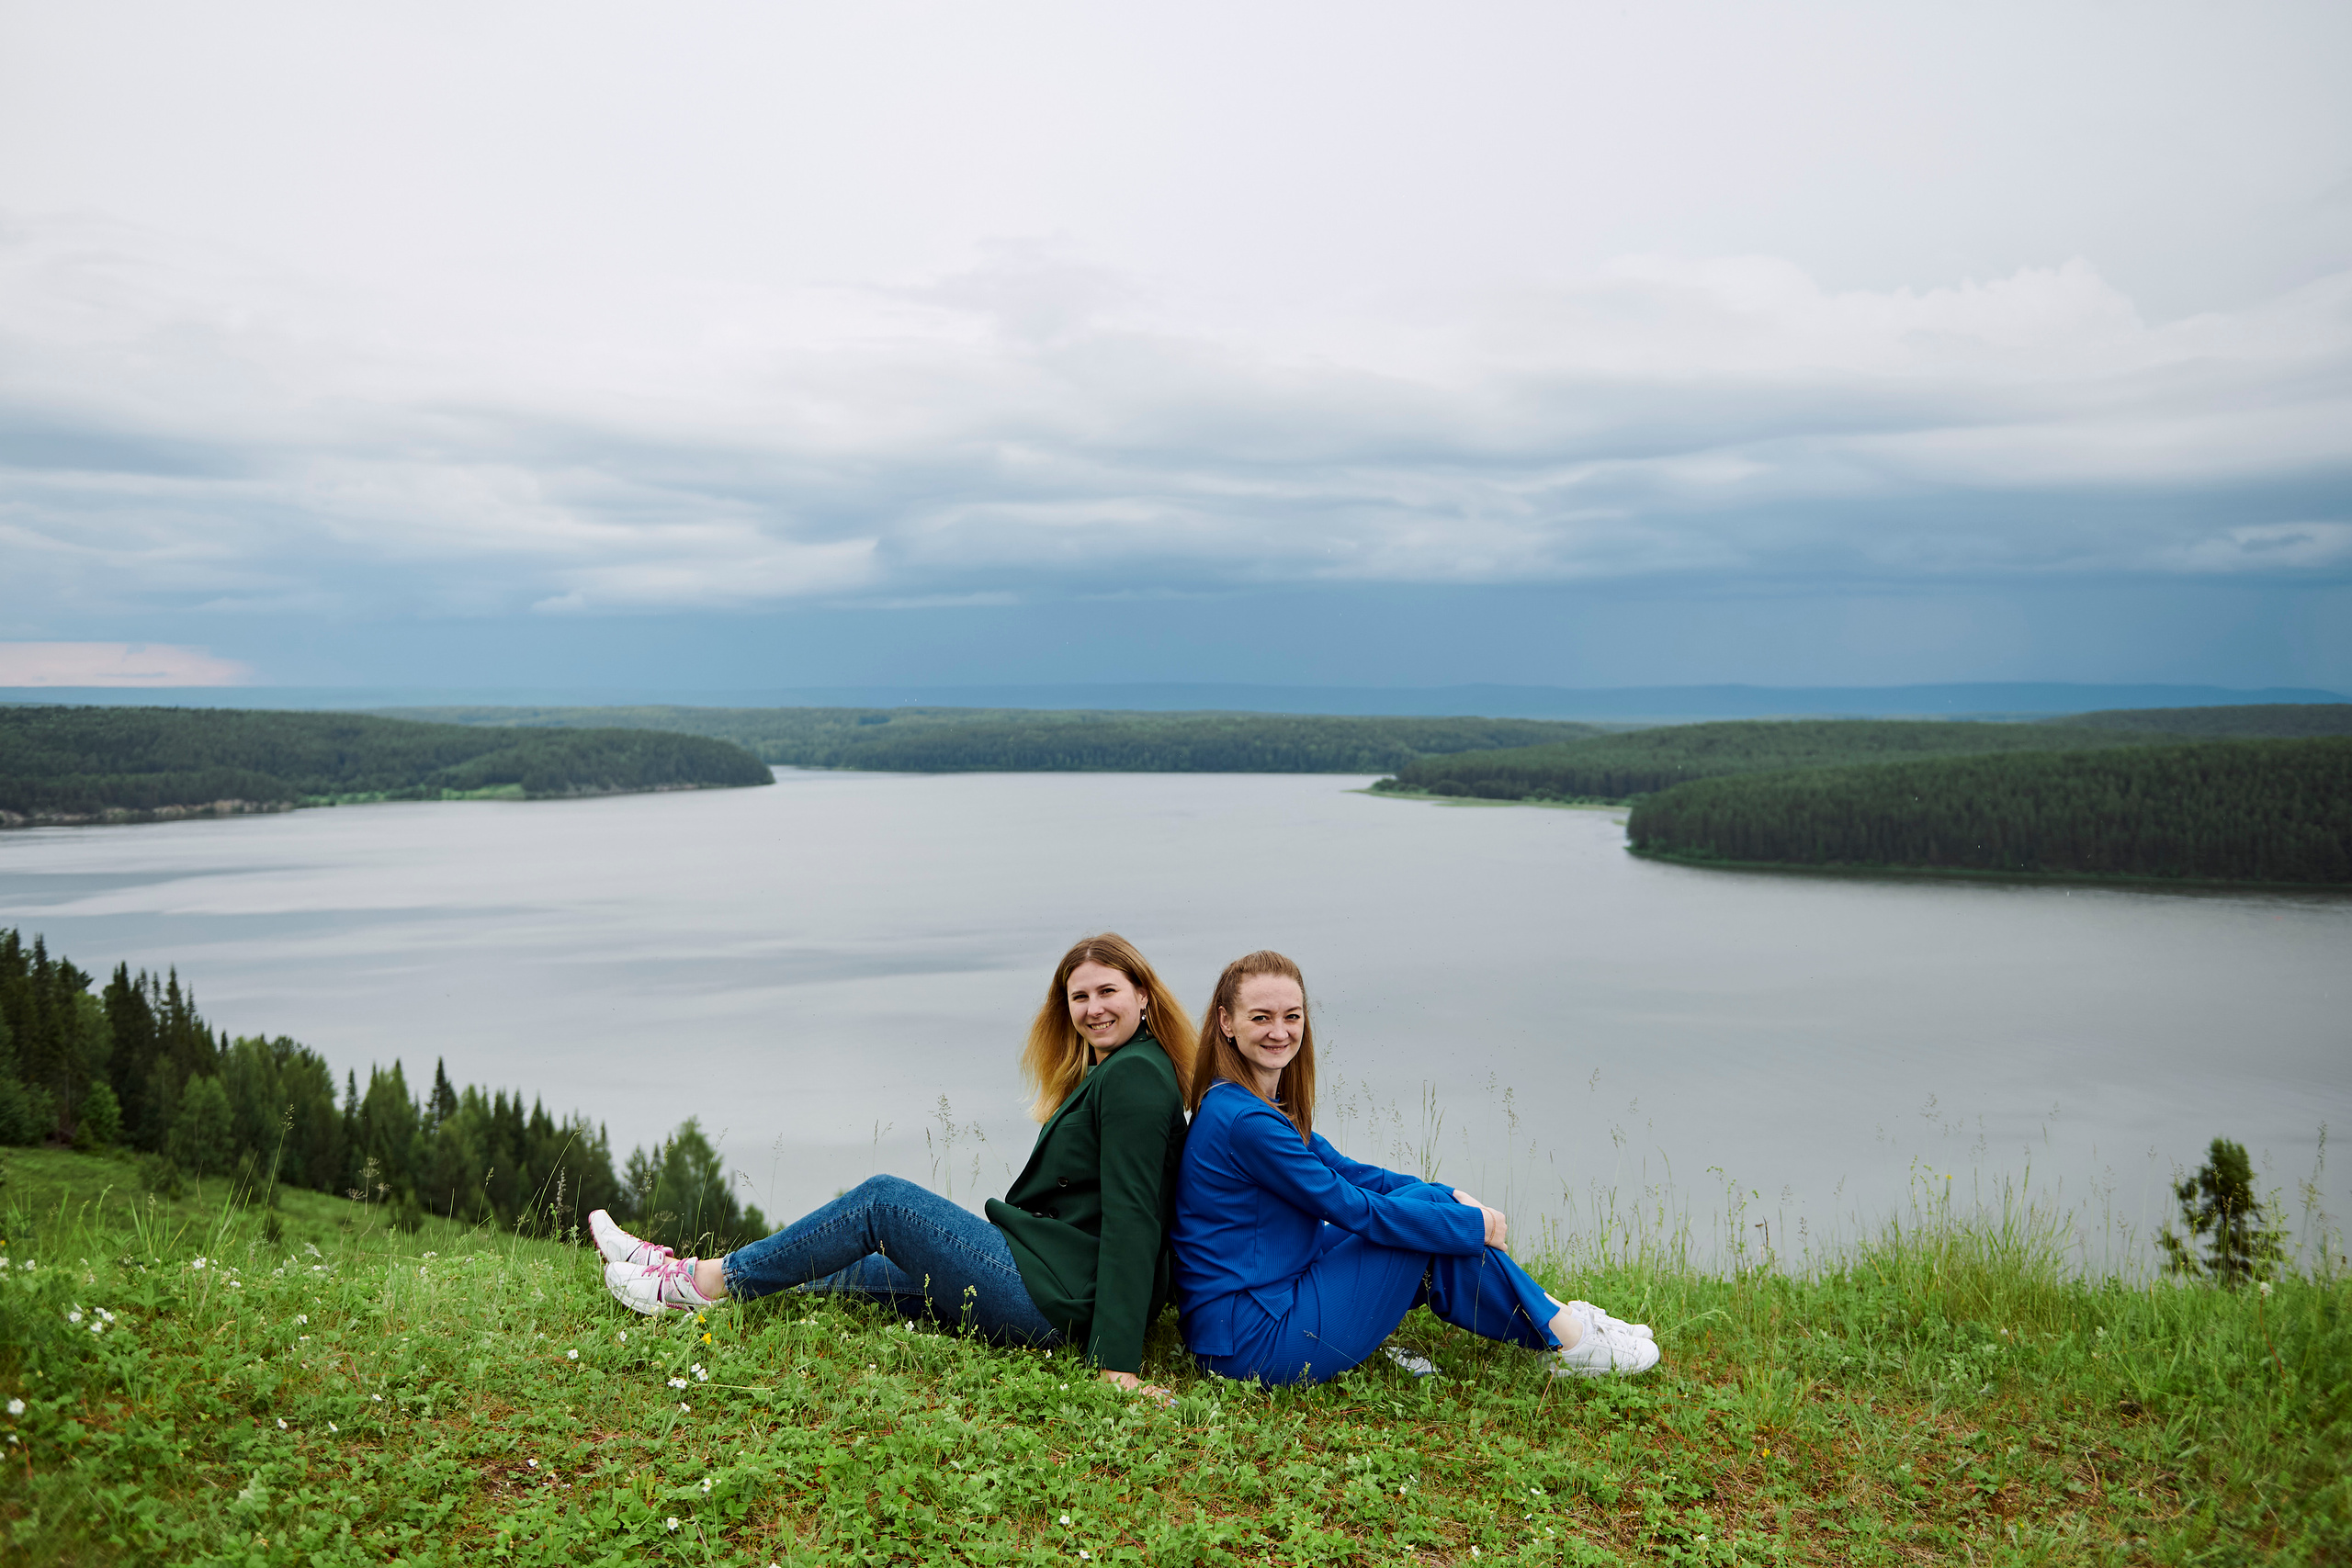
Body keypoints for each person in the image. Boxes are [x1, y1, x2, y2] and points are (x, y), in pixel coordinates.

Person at [591, 932, 1195, 1393]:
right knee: (854, 1276)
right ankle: (680, 1271)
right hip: (1050, 1277)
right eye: (1079, 995)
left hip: (1058, 1298)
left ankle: (698, 1284)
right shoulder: (1123, 1065)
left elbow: (1133, 1222)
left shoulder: (1137, 1079)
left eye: (1107, 991)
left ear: (1143, 994)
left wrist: (1116, 1365)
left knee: (883, 1201)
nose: (1093, 1008)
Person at [1169, 949, 1659, 1386]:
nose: (1281, 1031)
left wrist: (1448, 1197)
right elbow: (1350, 1207)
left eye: (1291, 1016)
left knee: (1426, 1210)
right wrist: (1472, 1225)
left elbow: (1350, 1172)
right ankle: (1568, 1337)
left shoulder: (1246, 1102)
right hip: (1253, 1340)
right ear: (1227, 1023)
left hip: (1249, 1309)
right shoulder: (1247, 1123)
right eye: (1261, 1017)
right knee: (1421, 1234)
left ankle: (1558, 1323)